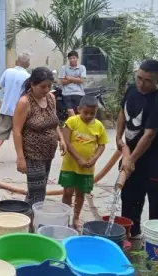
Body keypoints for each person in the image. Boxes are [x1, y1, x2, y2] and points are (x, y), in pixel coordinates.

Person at [116, 59, 158, 239]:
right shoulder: (132, 89)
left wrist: (131, 160)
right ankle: (131, 234)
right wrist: (119, 138)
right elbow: (121, 113)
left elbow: (149, 135)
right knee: (129, 195)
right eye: (139, 78)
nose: (141, 83)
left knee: (157, 201)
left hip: (156, 159)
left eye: (147, 80)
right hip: (131, 153)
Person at [13, 67, 66, 205]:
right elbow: (17, 131)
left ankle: (30, 220)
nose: (46, 89)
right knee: (36, 193)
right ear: (32, 84)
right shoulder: (25, 102)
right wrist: (20, 158)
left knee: (39, 191)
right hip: (33, 154)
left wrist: (61, 139)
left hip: (48, 153)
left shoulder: (51, 98)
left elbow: (54, 121)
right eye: (43, 86)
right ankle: (30, 224)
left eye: (49, 86)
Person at [59, 95, 108, 229]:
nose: (88, 116)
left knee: (80, 194)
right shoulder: (72, 121)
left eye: (92, 113)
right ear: (79, 109)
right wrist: (78, 159)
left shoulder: (98, 126)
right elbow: (67, 142)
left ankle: (76, 218)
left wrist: (94, 159)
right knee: (67, 192)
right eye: (85, 112)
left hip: (87, 168)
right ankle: (65, 217)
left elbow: (102, 145)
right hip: (70, 165)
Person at [0, 53, 31, 166]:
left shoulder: (8, 71)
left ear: (17, 62)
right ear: (27, 64)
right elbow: (28, 93)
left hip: (6, 108)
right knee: (20, 132)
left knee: (2, 131)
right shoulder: (27, 76)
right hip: (20, 109)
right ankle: (20, 157)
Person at [58, 50, 87, 117]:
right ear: (68, 59)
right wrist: (76, 78)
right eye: (70, 58)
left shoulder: (82, 68)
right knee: (70, 111)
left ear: (77, 58)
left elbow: (81, 80)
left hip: (78, 93)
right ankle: (74, 124)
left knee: (79, 111)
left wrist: (69, 78)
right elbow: (63, 82)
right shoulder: (64, 68)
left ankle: (77, 124)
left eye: (74, 58)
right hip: (67, 93)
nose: (72, 60)